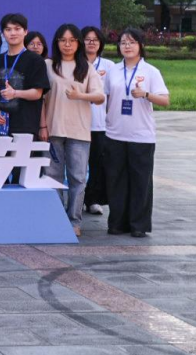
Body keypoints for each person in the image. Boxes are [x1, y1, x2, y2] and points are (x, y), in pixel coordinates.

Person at [104, 28, 169, 238]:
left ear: (140, 45)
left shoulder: (151, 71)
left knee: (141, 182)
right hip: (115, 133)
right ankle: (117, 223)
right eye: (123, 42)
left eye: (132, 42)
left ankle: (138, 224)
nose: (127, 46)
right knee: (116, 181)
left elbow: (165, 100)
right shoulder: (113, 70)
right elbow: (105, 98)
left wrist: (146, 94)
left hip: (141, 135)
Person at [42, 24, 105, 236]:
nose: (67, 45)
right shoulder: (48, 65)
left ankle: (74, 221)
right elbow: (41, 98)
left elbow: (100, 97)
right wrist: (42, 126)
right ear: (56, 43)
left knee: (78, 178)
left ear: (78, 43)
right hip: (53, 130)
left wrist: (80, 96)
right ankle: (56, 218)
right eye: (63, 40)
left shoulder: (86, 68)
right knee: (53, 176)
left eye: (72, 40)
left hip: (79, 131)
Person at [0, 14, 50, 143]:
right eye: (8, 29)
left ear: (25, 31)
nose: (13, 33)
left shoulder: (36, 60)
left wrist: (15, 93)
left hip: (25, 126)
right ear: (3, 34)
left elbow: (37, 93)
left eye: (17, 29)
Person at [81, 26, 115, 215]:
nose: (91, 42)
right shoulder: (76, 63)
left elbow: (112, 96)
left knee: (97, 164)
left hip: (99, 124)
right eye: (87, 39)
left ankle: (93, 199)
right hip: (78, 123)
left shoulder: (109, 66)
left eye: (95, 39)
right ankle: (77, 199)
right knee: (77, 165)